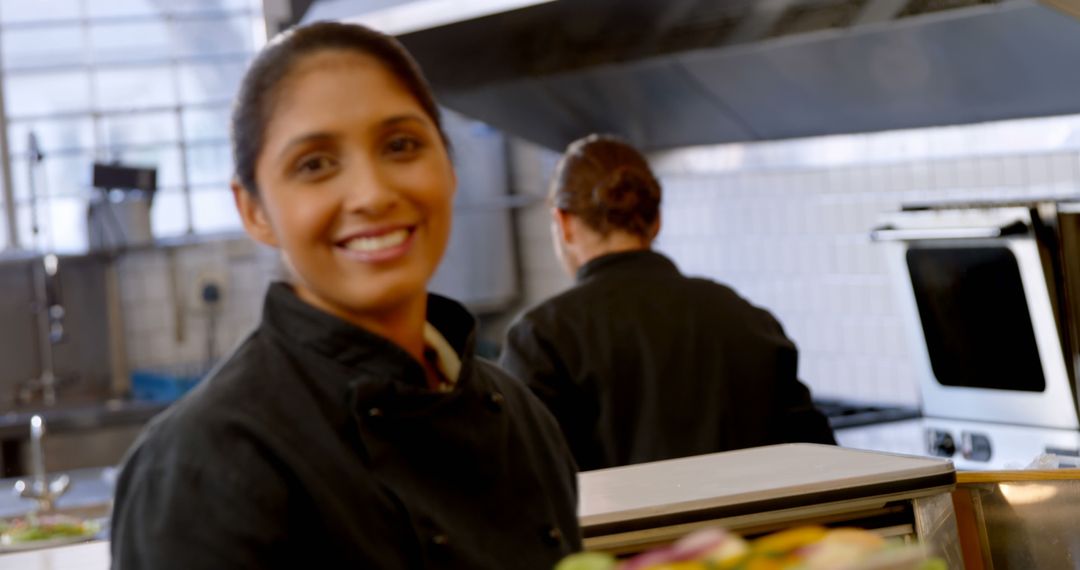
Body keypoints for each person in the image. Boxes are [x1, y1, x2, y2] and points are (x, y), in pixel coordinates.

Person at [110, 22, 580, 569]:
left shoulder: (522, 418)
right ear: (254, 211)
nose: (372, 194)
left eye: (401, 145)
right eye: (315, 164)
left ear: (448, 168)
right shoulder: (203, 463)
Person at [500, 134, 836, 471]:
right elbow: (820, 461)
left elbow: (525, 484)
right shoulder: (748, 319)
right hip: (760, 526)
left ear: (565, 224)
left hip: (618, 526)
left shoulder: (542, 337)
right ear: (656, 219)